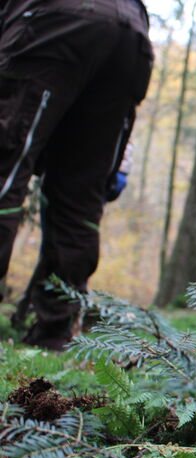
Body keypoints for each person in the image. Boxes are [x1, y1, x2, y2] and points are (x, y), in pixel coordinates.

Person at [0, 0, 153, 350]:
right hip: (131, 30)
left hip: (51, 18)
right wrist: (118, 162)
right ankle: (54, 334)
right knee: (78, 199)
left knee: (4, 172)